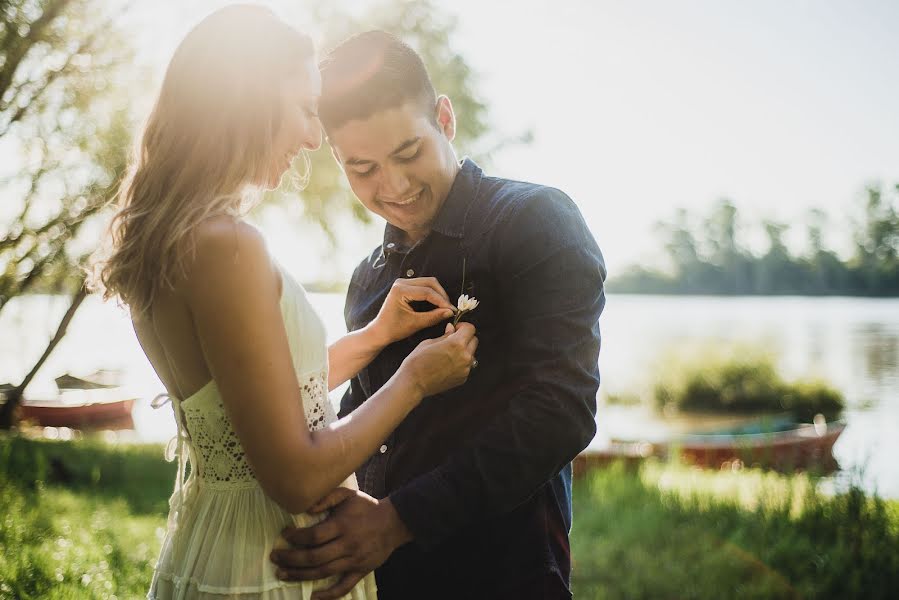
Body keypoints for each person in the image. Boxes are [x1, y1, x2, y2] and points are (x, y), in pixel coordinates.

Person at [93, 7, 478, 599]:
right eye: (303, 108)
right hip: (268, 563)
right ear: (249, 102)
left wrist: (375, 336)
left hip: (215, 544)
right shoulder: (227, 247)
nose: (312, 136)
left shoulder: (174, 239)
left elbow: (253, 399)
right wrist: (415, 380)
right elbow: (295, 475)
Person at [270, 31, 606, 600]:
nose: (394, 186)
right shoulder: (368, 276)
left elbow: (562, 410)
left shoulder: (536, 221)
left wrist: (396, 519)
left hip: (504, 573)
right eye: (363, 168)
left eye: (408, 153)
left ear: (444, 119)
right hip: (384, 581)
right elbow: (364, 411)